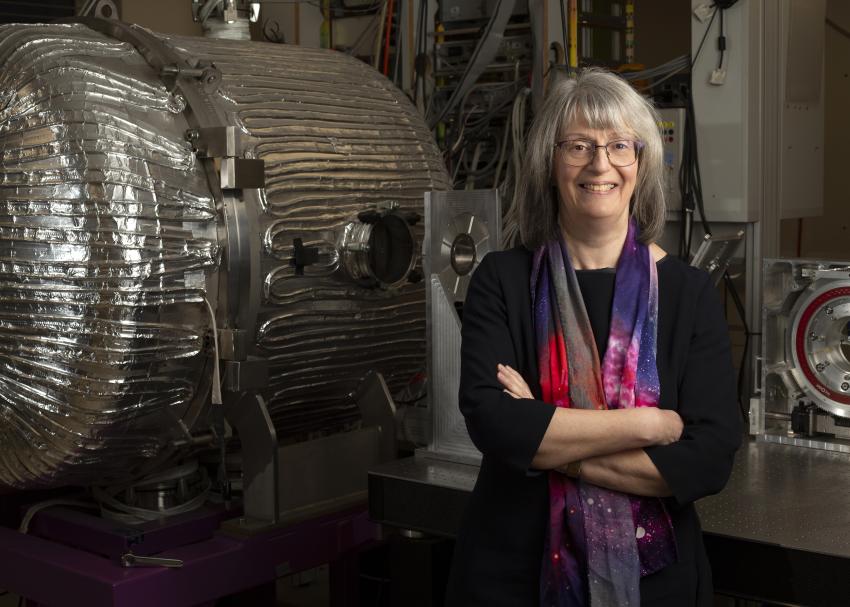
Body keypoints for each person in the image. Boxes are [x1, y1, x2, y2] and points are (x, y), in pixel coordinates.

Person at [445, 68, 742, 606]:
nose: (600, 164)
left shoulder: (689, 293)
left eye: (619, 146)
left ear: (641, 163)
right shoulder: (502, 279)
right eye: (578, 145)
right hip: (513, 577)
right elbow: (495, 423)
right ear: (550, 164)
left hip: (657, 586)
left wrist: (547, 436)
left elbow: (709, 459)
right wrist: (646, 424)